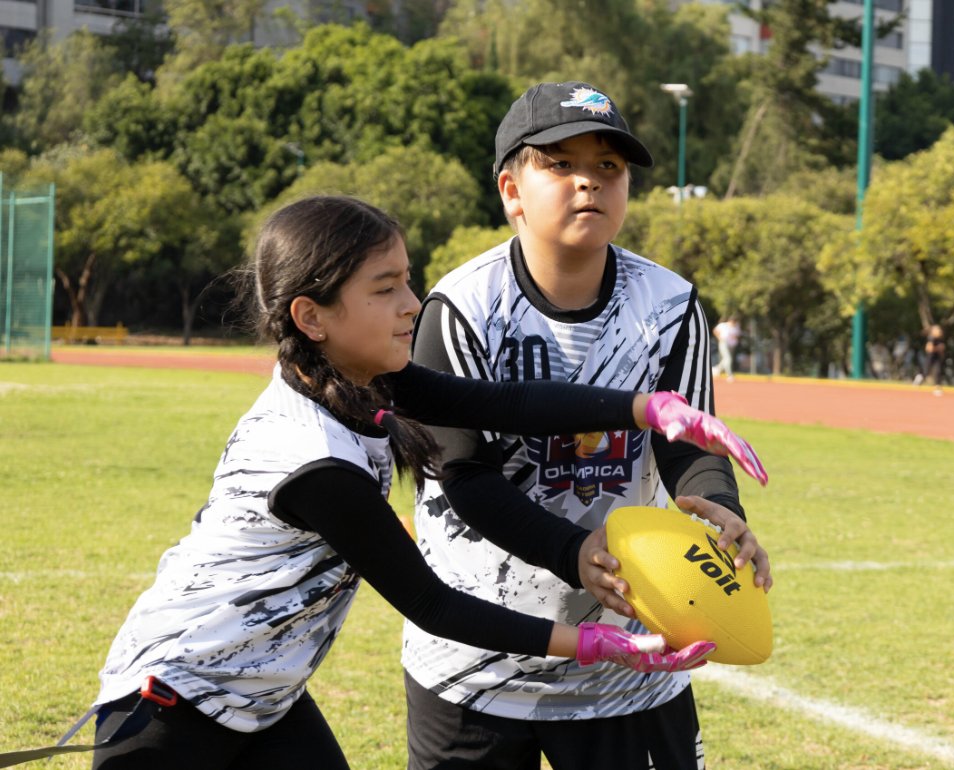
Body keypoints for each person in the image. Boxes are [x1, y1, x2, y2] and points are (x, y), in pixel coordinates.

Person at [88, 195, 767, 769]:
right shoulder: (312, 457)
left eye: (407, 281)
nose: (413, 303)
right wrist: (594, 643)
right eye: (385, 289)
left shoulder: (360, 376)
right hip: (171, 708)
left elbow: (499, 404)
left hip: (261, 698)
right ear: (311, 316)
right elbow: (434, 605)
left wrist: (649, 408)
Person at [404, 81, 771, 770]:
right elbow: (465, 476)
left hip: (629, 664)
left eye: (609, 167)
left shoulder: (669, 304)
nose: (589, 182)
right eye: (561, 163)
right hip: (477, 662)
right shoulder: (461, 307)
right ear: (512, 189)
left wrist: (722, 511)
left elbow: (687, 442)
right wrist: (574, 551)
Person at [913, 324, 946, 395]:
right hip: (930, 358)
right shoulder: (931, 338)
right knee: (926, 372)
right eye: (937, 330)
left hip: (937, 358)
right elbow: (929, 348)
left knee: (938, 371)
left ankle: (937, 387)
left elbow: (942, 349)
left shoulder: (940, 339)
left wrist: (941, 351)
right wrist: (937, 348)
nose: (939, 331)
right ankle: (918, 379)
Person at [712, 316, 741, 382]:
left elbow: (737, 335)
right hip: (724, 343)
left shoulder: (736, 327)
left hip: (732, 345)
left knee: (726, 359)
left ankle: (717, 370)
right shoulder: (723, 325)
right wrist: (719, 338)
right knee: (728, 358)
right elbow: (715, 330)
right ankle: (729, 375)